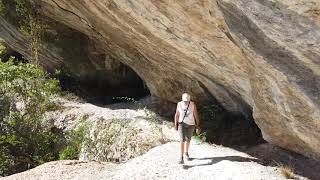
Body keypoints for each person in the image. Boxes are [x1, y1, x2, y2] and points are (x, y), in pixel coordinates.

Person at [174, 93, 201, 164]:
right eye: (185, 100)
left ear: (189, 99)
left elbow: (196, 115)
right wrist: (175, 124)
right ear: (182, 99)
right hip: (181, 124)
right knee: (182, 140)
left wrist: (198, 126)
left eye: (187, 100)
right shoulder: (179, 104)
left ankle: (186, 153)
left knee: (188, 139)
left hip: (191, 124)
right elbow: (177, 114)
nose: (186, 101)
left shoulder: (192, 104)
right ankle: (181, 157)